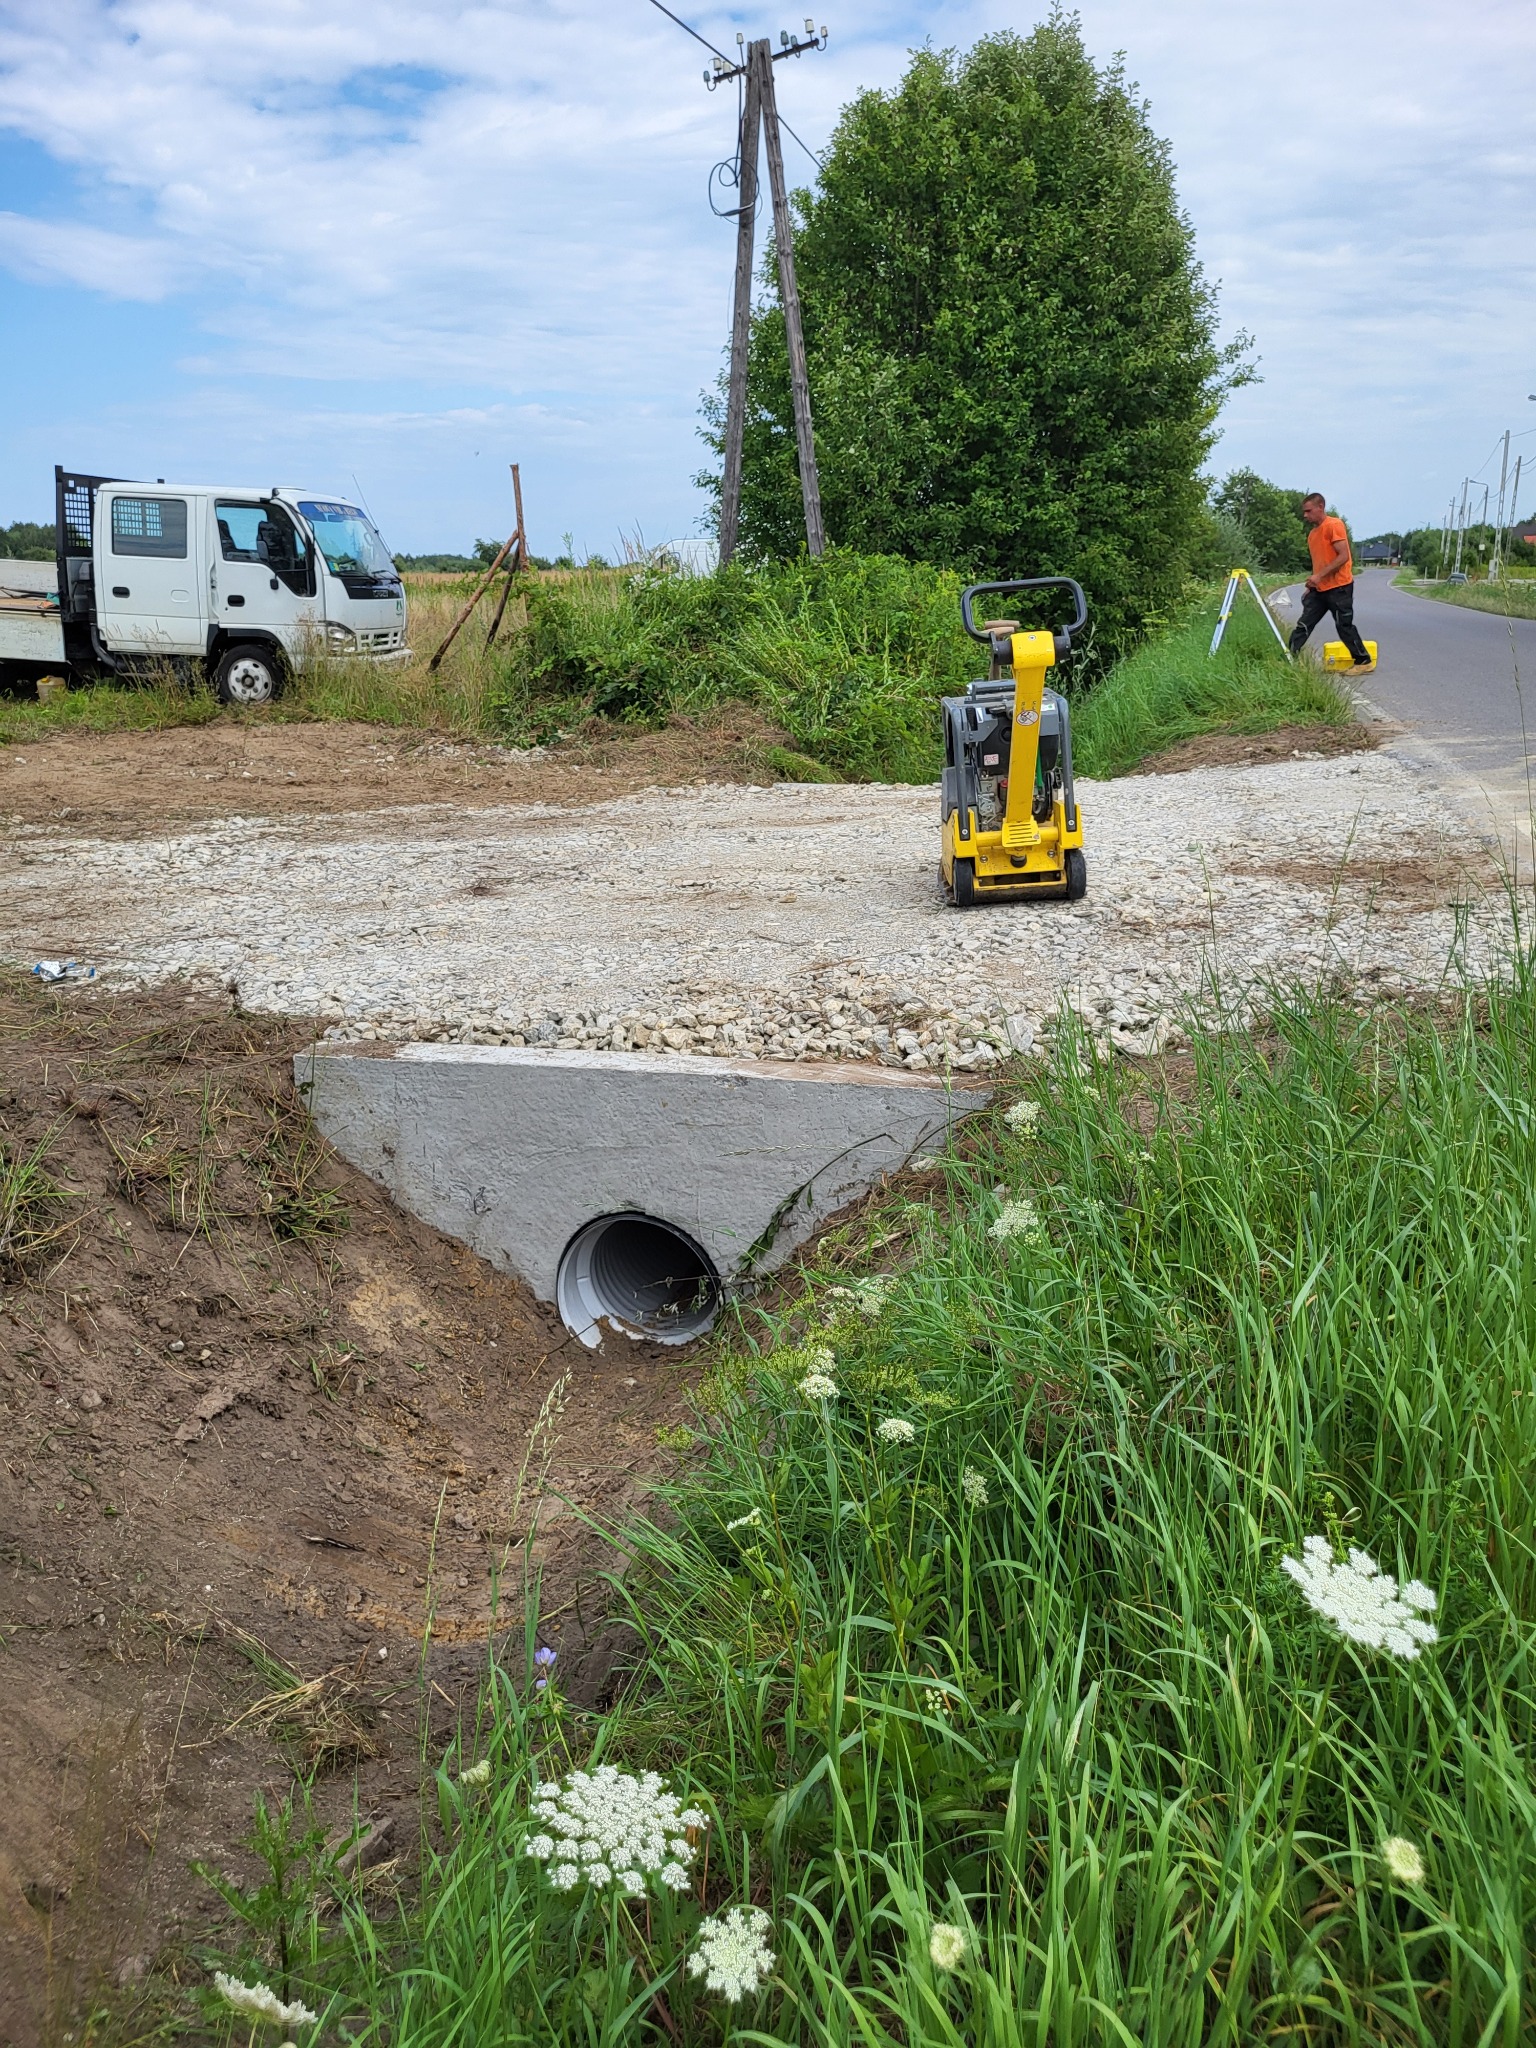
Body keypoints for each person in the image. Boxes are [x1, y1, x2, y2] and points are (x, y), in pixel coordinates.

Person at [1288, 493, 1374, 672]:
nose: (1305, 515)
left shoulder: (1334, 525)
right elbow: (1320, 562)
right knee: (1304, 624)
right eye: (1304, 511)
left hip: (1340, 587)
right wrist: (1313, 583)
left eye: (1308, 511)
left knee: (1344, 626)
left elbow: (1343, 556)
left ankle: (1363, 661)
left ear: (1320, 507)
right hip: (1319, 589)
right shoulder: (1312, 535)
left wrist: (1319, 576)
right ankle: (1288, 657)